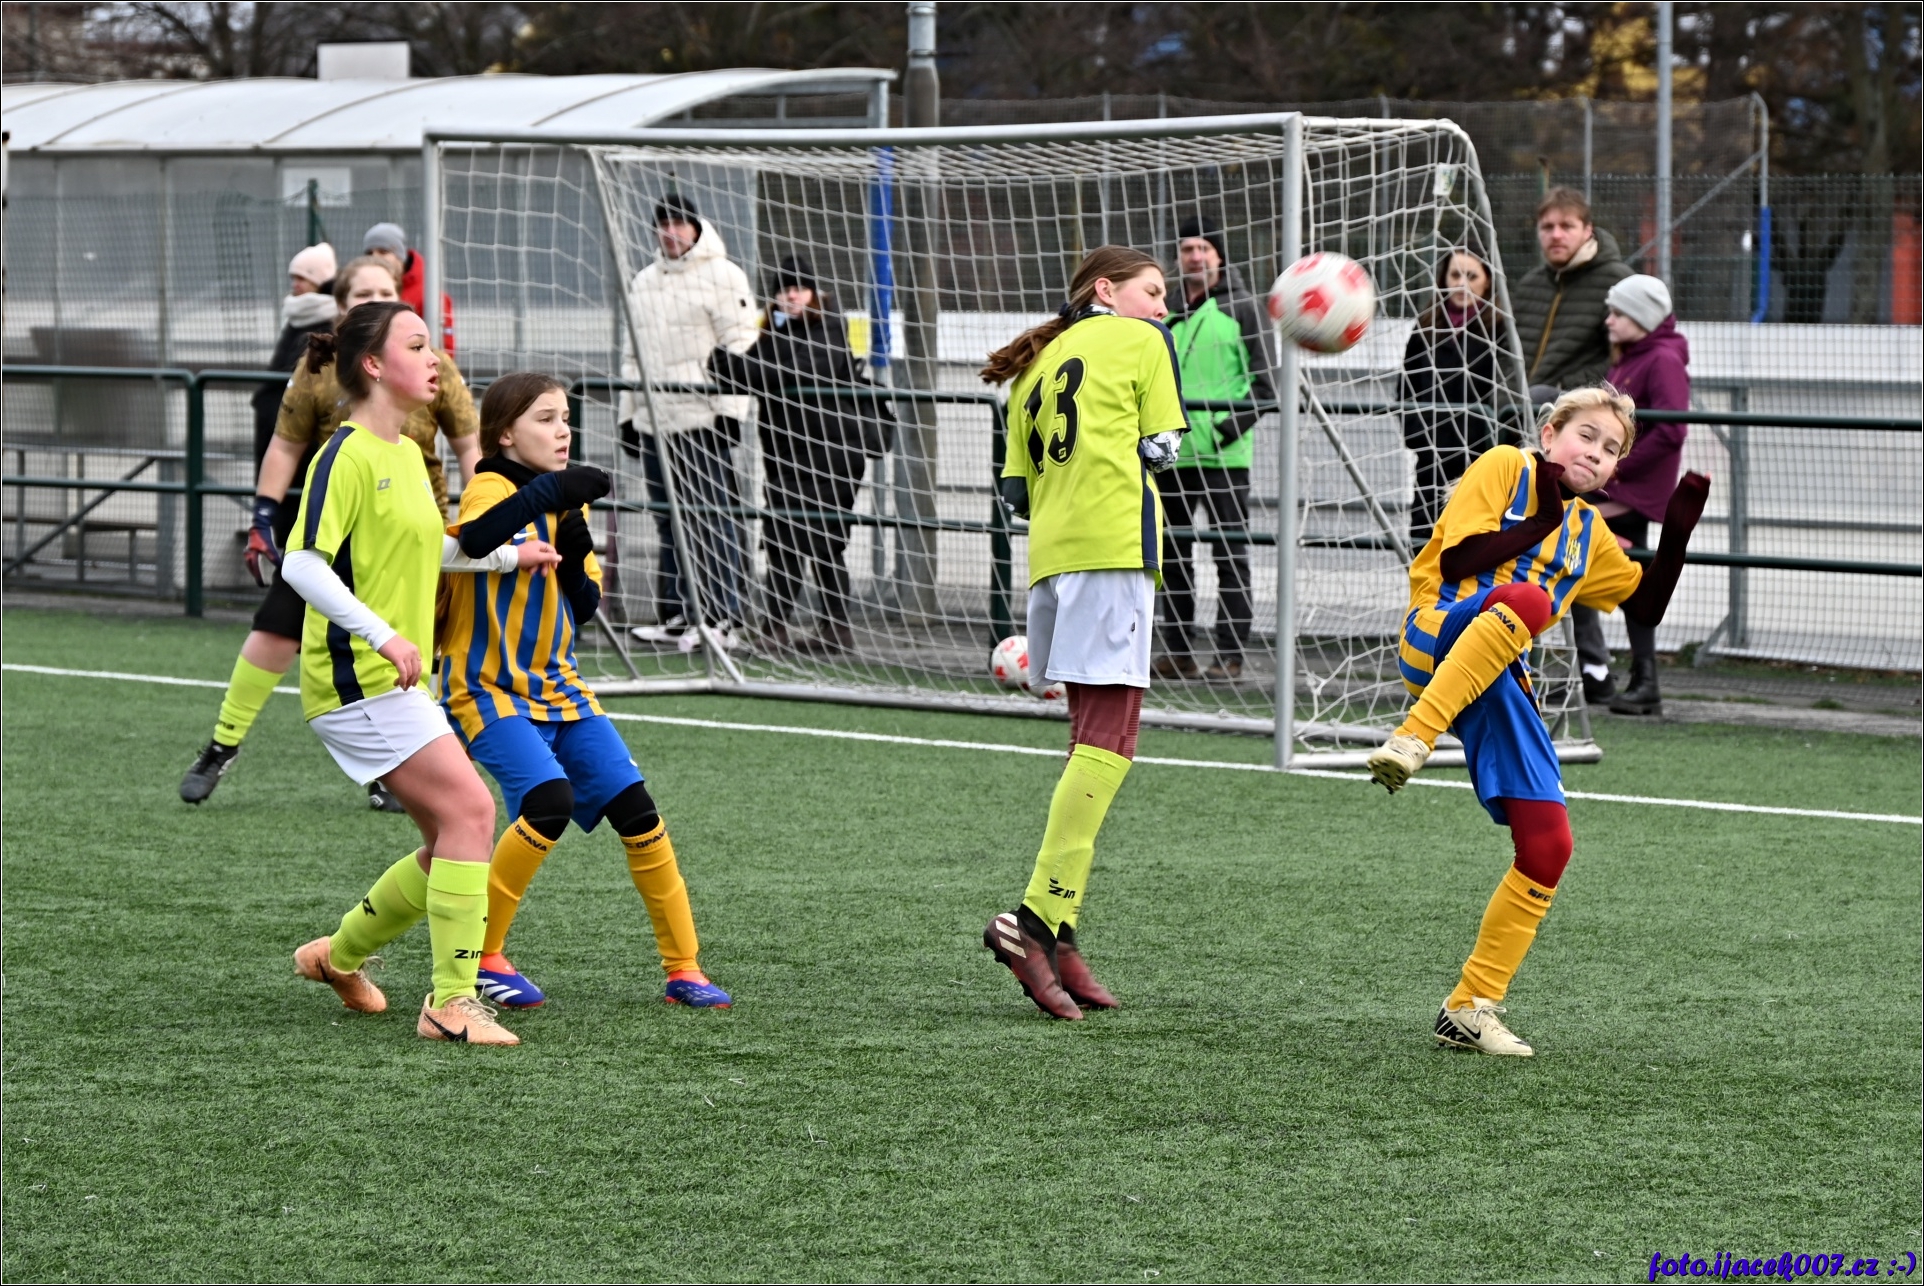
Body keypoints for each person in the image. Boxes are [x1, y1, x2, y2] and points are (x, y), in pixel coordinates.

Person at [1365, 386, 1710, 1057]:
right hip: (1435, 636)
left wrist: (1676, 533)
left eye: (1612, 450)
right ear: (1550, 435)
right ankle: (1413, 735)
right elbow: (1458, 562)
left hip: (1499, 673)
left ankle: (1469, 1006)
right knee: (1526, 597)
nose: (1597, 453)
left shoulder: (1592, 534)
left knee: (1549, 844)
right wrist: (1542, 517)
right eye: (1587, 436)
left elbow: (1644, 609)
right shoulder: (1506, 466)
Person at [436, 373, 732, 1012]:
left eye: (566, 418)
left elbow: (585, 605)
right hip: (486, 689)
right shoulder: (491, 486)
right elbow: (477, 540)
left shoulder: (569, 503)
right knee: (549, 803)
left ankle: (684, 967)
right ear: (505, 434)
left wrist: (573, 556)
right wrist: (548, 493)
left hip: (561, 687)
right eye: (545, 419)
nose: (563, 430)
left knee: (641, 815)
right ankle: (483, 956)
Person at [280, 300, 521, 1045]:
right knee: (472, 813)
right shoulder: (344, 455)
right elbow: (301, 562)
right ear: (374, 365)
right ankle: (451, 1004)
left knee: (450, 838)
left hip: (393, 680)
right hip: (355, 678)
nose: (434, 359)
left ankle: (338, 956)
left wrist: (512, 558)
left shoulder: (411, 455)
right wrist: (382, 635)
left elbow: (427, 546)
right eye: (417, 346)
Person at [179, 256, 480, 810]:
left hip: (414, 526)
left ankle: (391, 766)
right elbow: (286, 445)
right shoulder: (334, 411)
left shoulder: (427, 389)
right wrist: (263, 514)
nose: (376, 300)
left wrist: (495, 533)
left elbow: (469, 446)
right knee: (278, 630)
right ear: (344, 312)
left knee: (418, 644)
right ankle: (223, 743)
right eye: (363, 293)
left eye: (386, 291)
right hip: (337, 529)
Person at [978, 246, 1188, 1021]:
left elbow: (1016, 493)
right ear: (1107, 290)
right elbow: (1164, 448)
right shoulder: (1141, 340)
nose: (1162, 307)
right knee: (1111, 741)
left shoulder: (1033, 366)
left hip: (1053, 559)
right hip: (1112, 548)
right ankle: (1032, 921)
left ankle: (1060, 936)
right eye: (1152, 290)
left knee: (1088, 741)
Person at [710, 255, 892, 654]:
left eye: (799, 289)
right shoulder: (773, 333)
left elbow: (793, 371)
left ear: (813, 293)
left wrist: (738, 367)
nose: (791, 297)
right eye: (784, 290)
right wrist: (728, 363)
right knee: (784, 539)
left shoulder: (830, 326)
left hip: (833, 453)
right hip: (785, 456)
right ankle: (799, 629)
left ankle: (811, 629)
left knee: (819, 540)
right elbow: (744, 373)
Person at [616, 194, 759, 653]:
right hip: (654, 422)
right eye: (663, 224)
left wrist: (731, 414)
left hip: (702, 419)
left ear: (697, 228)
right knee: (668, 521)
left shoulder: (725, 276)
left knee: (712, 519)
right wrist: (627, 416)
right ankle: (680, 614)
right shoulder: (644, 281)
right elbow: (631, 355)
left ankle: (723, 617)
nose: (671, 232)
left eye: (680, 223)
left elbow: (740, 348)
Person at [1154, 215, 1274, 682]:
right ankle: (1178, 652)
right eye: (1187, 249)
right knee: (1172, 556)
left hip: (1226, 458)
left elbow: (1266, 386)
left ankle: (1229, 656)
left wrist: (1225, 429)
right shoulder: (1164, 310)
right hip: (1172, 455)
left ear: (1219, 256)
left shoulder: (1243, 308)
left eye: (1203, 248)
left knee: (1229, 556)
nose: (1195, 257)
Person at [1572, 275, 1692, 715]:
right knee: (1581, 565)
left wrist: (1618, 464)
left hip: (1629, 492)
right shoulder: (1633, 357)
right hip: (1616, 486)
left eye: (1618, 313)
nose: (1609, 320)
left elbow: (1672, 429)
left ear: (1642, 317)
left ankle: (1638, 679)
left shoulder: (1661, 359)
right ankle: (1601, 673)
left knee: (1624, 578)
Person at [1399, 247, 1507, 546]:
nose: (1462, 283)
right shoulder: (1425, 326)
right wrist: (1417, 436)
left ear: (1487, 281)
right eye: (1455, 275)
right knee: (1425, 535)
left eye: (1471, 276)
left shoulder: (1499, 329)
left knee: (1472, 538)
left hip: (1480, 454)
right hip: (1432, 452)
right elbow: (1406, 387)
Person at [1512, 188, 1632, 407]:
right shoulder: (1529, 284)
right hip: (1515, 411)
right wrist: (1504, 397)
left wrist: (1566, 389)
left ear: (1588, 230)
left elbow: (1624, 356)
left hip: (1575, 411)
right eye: (1547, 227)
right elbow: (1506, 352)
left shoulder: (1617, 281)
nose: (1556, 235)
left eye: (1566, 226)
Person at [251, 242, 338, 474]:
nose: (295, 284)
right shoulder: (297, 318)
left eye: (303, 278)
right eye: (294, 278)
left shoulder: (326, 324)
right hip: (275, 419)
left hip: (297, 424)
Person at [362, 221, 455, 353]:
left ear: (400, 256)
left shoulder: (430, 295)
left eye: (383, 251)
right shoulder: (360, 289)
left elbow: (445, 351)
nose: (374, 258)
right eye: (369, 253)